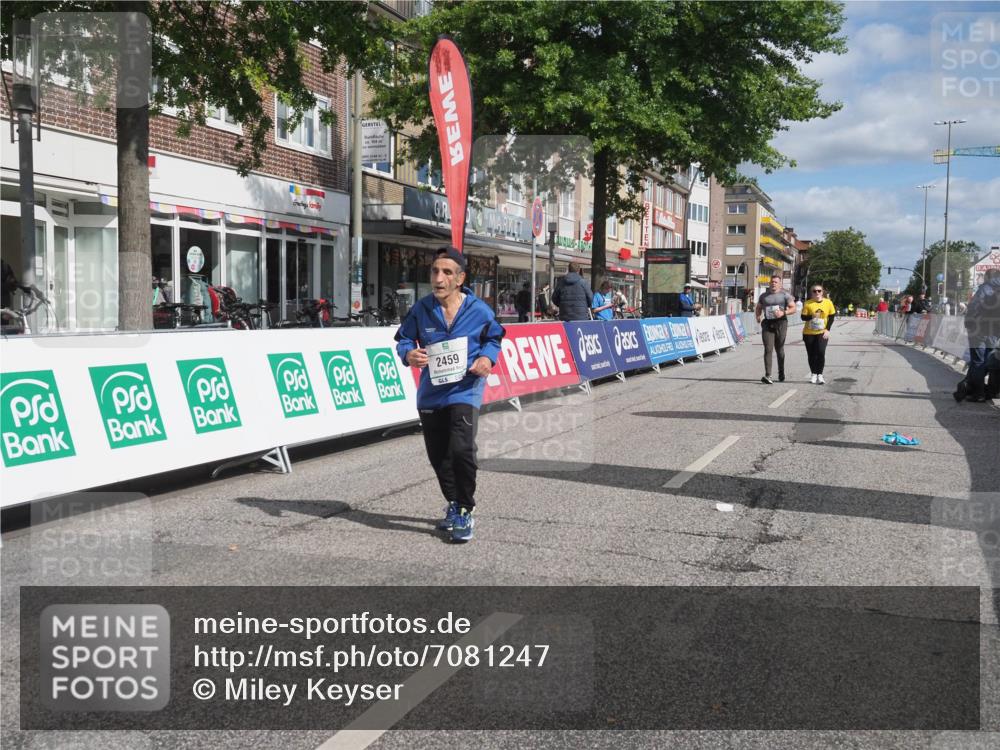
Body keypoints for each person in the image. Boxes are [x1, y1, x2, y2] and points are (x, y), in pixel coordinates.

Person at [395, 247, 506, 542]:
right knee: (439, 457)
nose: (439, 278)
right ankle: (454, 502)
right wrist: (409, 355)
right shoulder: (422, 309)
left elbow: (494, 337)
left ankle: (465, 508)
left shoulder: (479, 310)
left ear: (460, 279)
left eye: (446, 272)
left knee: (462, 450)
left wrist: (487, 358)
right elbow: (404, 339)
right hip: (431, 394)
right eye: (435, 271)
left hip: (464, 390)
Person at [955, 268, 1000, 403]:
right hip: (995, 331)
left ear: (987, 277)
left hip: (979, 329)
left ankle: (978, 393)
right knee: (990, 361)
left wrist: (969, 323)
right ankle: (991, 392)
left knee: (978, 361)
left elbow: (974, 307)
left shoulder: (985, 288)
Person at [755, 275, 796, 384]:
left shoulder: (785, 295)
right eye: (772, 282)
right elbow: (758, 307)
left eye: (776, 282)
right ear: (769, 283)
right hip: (768, 323)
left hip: (781, 323)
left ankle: (781, 372)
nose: (774, 283)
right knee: (768, 349)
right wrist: (758, 316)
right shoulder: (763, 296)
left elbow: (793, 308)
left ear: (780, 284)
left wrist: (784, 312)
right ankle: (768, 375)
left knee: (779, 349)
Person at [801, 284, 836, 384]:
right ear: (811, 293)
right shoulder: (808, 303)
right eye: (814, 291)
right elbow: (803, 317)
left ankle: (820, 375)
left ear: (822, 292)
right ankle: (813, 374)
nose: (817, 293)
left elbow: (832, 316)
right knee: (811, 354)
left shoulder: (828, 302)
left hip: (822, 332)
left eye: (819, 291)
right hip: (809, 333)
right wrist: (811, 316)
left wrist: (828, 329)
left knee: (821, 352)